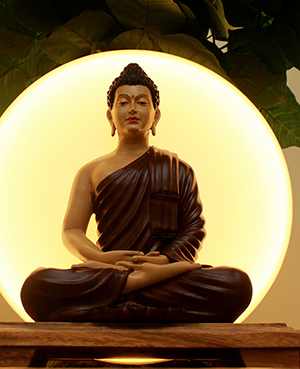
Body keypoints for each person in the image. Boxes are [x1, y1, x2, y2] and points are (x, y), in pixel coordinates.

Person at [21, 63, 252, 322]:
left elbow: (193, 229)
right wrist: (102, 259)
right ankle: (135, 288)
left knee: (236, 283)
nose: (132, 109)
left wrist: (164, 262)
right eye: (123, 103)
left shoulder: (178, 169)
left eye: (142, 102)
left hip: (161, 273)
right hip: (109, 270)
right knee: (36, 286)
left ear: (156, 116)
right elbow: (72, 231)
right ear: (110, 116)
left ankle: (121, 297)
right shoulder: (91, 172)